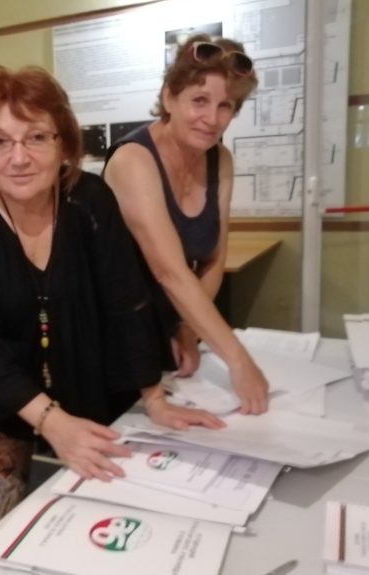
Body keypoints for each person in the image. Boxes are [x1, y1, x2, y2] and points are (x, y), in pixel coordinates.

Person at [0, 64, 222, 575]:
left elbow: (126, 303)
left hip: (3, 379)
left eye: (36, 137)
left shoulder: (89, 201)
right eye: (0, 141)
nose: (18, 157)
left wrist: (152, 396)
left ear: (64, 142)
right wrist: (52, 420)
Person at [103, 34, 269, 414]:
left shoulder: (220, 160)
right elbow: (170, 271)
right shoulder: (133, 160)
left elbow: (212, 259)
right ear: (169, 98)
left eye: (225, 106)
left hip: (170, 332)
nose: (212, 119)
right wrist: (238, 360)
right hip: (118, 339)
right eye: (199, 100)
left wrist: (188, 329)